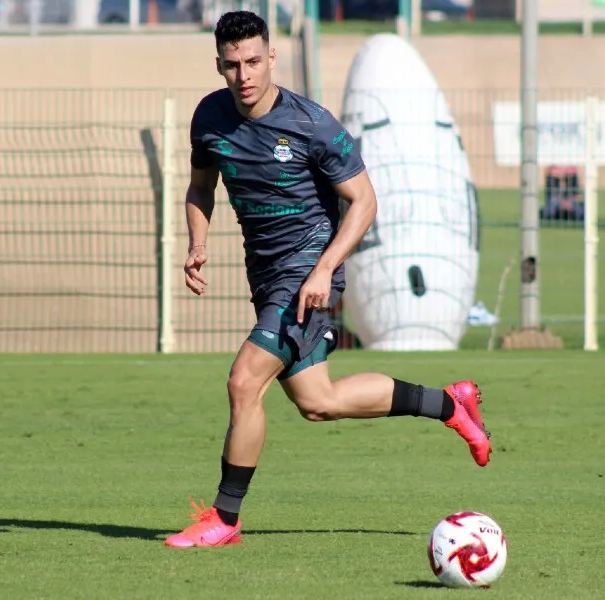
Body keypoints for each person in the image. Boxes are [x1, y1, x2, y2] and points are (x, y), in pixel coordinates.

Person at [164, 11, 492, 550]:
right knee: (319, 401)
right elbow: (201, 188)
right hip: (267, 278)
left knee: (244, 381)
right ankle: (450, 403)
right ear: (219, 66)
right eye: (231, 65)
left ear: (271, 58)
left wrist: (323, 269)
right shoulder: (209, 118)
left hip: (307, 274)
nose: (244, 74)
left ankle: (224, 518)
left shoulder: (312, 124)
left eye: (253, 61)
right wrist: (197, 244)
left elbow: (364, 202)